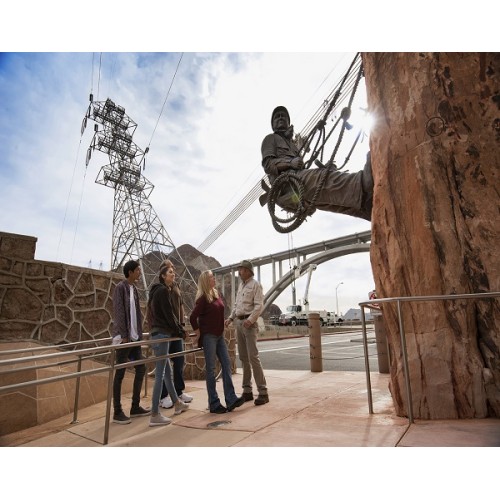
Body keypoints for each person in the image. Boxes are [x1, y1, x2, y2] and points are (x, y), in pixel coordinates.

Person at [261, 105, 373, 221]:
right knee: (322, 178)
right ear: (273, 125)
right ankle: (363, 184)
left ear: (288, 123)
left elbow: (301, 168)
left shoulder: (293, 146)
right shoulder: (270, 139)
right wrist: (290, 162)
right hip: (286, 184)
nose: (280, 118)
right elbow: (268, 164)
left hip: (296, 183)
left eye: (283, 116)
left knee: (326, 196)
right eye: (277, 117)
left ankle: (366, 209)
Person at [190, 270, 245, 414]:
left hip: (219, 335)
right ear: (205, 281)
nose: (213, 278)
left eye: (213, 276)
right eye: (210, 277)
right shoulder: (203, 298)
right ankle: (214, 403)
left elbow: (219, 312)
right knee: (211, 370)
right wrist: (198, 331)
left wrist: (224, 322)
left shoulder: (216, 294)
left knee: (226, 365)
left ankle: (231, 399)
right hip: (209, 337)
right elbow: (192, 317)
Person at [147, 265, 190, 426]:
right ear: (163, 276)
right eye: (171, 273)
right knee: (160, 375)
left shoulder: (156, 292)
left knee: (167, 372)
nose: (174, 274)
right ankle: (154, 414)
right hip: (162, 335)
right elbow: (169, 315)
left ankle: (177, 404)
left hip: (157, 334)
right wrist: (180, 331)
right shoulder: (163, 291)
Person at [111, 260, 151, 424]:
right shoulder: (120, 288)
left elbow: (136, 315)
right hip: (124, 339)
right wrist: (124, 335)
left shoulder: (134, 289)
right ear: (130, 272)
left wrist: (138, 336)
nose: (139, 273)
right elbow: (119, 312)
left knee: (141, 368)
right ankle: (117, 411)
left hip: (135, 338)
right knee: (119, 373)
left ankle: (135, 407)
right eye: (137, 270)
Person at [224, 260, 269, 405]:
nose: (239, 271)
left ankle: (263, 392)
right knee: (244, 358)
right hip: (239, 323)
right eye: (239, 269)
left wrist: (250, 320)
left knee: (253, 357)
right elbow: (237, 305)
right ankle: (247, 391)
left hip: (249, 325)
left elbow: (259, 306)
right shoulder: (241, 286)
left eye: (242, 269)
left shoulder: (256, 285)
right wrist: (231, 318)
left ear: (249, 271)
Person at [156, 259, 193, 409]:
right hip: (166, 331)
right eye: (169, 269)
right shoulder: (160, 289)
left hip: (177, 330)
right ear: (163, 273)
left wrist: (182, 325)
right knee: (164, 365)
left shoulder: (176, 286)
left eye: (173, 269)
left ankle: (178, 392)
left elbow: (181, 305)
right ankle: (163, 396)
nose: (173, 271)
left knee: (179, 361)